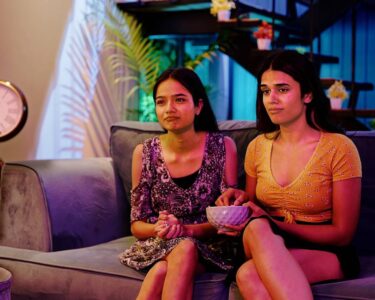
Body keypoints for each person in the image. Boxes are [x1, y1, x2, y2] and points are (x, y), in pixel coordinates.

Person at [216, 50, 362, 300]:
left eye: (282, 89)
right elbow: (253, 209)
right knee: (257, 228)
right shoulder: (257, 147)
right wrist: (237, 204)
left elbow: (343, 233)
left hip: (324, 249)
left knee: (249, 274)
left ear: (308, 94)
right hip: (264, 240)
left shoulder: (339, 148)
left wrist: (275, 224)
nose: (271, 99)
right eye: (265, 91)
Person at [119, 67, 238, 300]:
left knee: (175, 256)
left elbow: (228, 219)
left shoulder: (223, 147)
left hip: (210, 246)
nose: (169, 109)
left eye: (180, 100)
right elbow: (136, 225)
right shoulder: (143, 153)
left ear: (198, 106)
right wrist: (161, 229)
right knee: (175, 253)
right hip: (159, 243)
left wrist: (185, 231)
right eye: (161, 102)